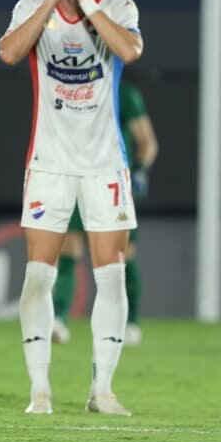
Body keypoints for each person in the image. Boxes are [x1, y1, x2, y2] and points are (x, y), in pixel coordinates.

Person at [0, 0, 143, 417]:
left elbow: (130, 50)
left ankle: (102, 390)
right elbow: (10, 53)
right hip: (50, 164)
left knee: (112, 276)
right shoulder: (30, 7)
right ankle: (39, 391)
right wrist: (48, 3)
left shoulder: (118, 6)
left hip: (104, 164)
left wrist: (89, 4)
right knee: (38, 275)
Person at [52, 81, 158, 347]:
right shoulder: (70, 90)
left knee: (121, 256)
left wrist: (140, 171)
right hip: (78, 177)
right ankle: (59, 321)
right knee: (69, 247)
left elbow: (147, 141)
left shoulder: (123, 93)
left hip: (112, 182)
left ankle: (130, 323)